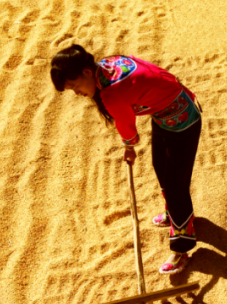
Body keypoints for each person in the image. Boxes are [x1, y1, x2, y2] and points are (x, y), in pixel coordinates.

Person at [50, 44, 203, 274]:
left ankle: (182, 247)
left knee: (175, 186)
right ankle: (175, 213)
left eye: (74, 87)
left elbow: (127, 127)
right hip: (165, 113)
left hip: (183, 121)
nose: (77, 93)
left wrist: (129, 148)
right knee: (160, 167)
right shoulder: (106, 66)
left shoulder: (111, 93)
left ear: (87, 72)